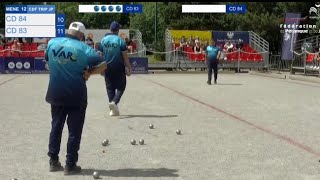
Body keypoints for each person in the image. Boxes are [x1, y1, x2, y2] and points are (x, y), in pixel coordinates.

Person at [45, 21, 107, 175]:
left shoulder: (52, 43)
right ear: (81, 35)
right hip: (76, 94)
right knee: (74, 130)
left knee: (56, 126)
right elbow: (104, 63)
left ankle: (53, 161)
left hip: (56, 92)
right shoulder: (84, 48)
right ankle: (70, 165)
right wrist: (89, 73)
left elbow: (47, 61)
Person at [99, 21, 132, 116]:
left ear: (110, 29)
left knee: (110, 87)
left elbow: (100, 55)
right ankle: (114, 102)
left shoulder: (103, 40)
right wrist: (129, 68)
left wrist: (100, 68)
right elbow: (125, 56)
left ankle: (112, 110)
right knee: (122, 86)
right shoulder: (120, 40)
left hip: (106, 67)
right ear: (117, 30)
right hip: (118, 66)